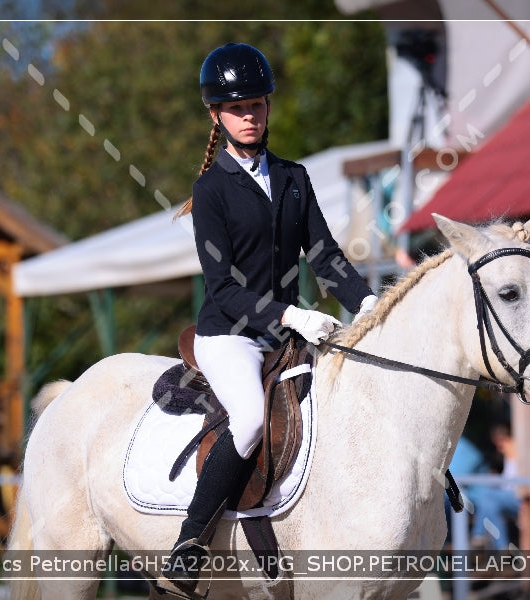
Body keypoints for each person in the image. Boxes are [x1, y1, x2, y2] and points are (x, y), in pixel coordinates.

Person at [161, 42, 378, 592]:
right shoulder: (209, 191)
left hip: (286, 334)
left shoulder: (294, 177)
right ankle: (188, 543)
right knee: (252, 420)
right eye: (238, 109)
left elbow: (325, 255)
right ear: (216, 115)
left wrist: (369, 302)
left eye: (257, 105)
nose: (250, 116)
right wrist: (292, 314)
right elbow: (223, 287)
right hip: (229, 335)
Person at [470, 423, 521, 551]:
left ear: (506, 439)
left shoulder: (519, 453)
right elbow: (508, 483)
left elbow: (514, 484)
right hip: (511, 496)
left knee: (486, 495)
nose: (499, 448)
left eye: (500, 443)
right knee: (490, 504)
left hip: (520, 496)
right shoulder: (509, 456)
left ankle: (479, 534)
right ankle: (501, 546)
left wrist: (497, 481)